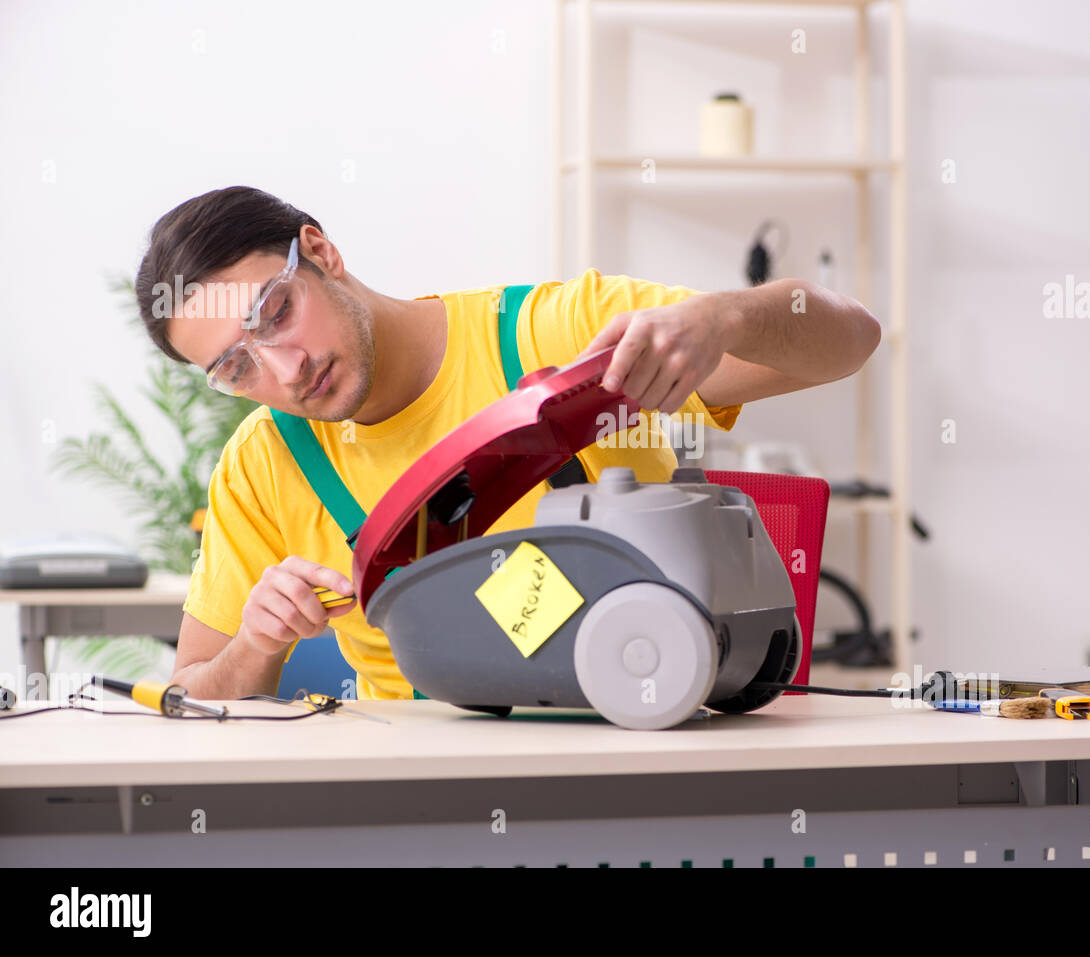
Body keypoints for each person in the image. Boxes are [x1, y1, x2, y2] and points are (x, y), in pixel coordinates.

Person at [135, 185, 881, 701]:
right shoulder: (266, 464)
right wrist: (253, 647)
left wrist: (727, 317)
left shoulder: (559, 334)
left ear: (320, 252)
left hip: (636, 748)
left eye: (275, 312)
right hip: (423, 804)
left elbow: (853, 338)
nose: (286, 369)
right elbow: (187, 691)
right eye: (237, 365)